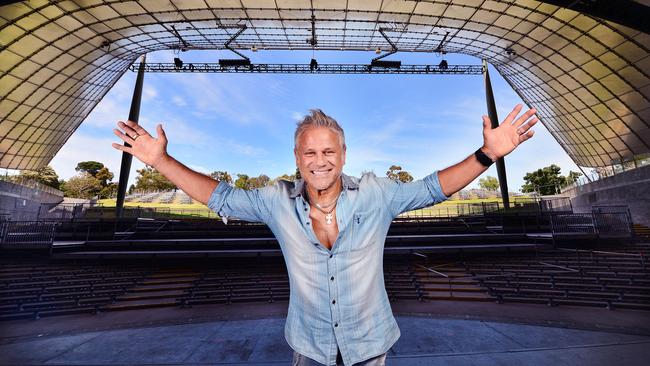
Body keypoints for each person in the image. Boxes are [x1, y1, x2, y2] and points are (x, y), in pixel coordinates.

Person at [112, 106, 537, 366]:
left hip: (370, 347)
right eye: (310, 153)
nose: (320, 161)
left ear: (343, 155)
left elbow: (431, 187)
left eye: (328, 151)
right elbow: (220, 197)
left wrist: (489, 153)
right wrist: (161, 160)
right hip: (308, 348)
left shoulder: (377, 194)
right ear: (297, 158)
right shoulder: (274, 201)